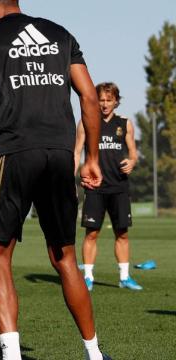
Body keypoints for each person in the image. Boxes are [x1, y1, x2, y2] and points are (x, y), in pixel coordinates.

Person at [0, 1, 111, 359]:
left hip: (15, 153)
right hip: (60, 155)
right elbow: (89, 96)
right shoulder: (60, 33)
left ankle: (11, 356)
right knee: (65, 257)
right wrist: (91, 158)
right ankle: (94, 354)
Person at [74, 82, 141, 291]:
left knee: (122, 233)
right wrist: (71, 177)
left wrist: (132, 162)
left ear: (116, 102)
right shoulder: (86, 122)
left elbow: (133, 153)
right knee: (91, 233)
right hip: (95, 187)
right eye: (101, 99)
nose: (104, 104)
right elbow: (76, 152)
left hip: (119, 186)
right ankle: (88, 277)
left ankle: (124, 277)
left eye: (108, 100)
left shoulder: (125, 123)